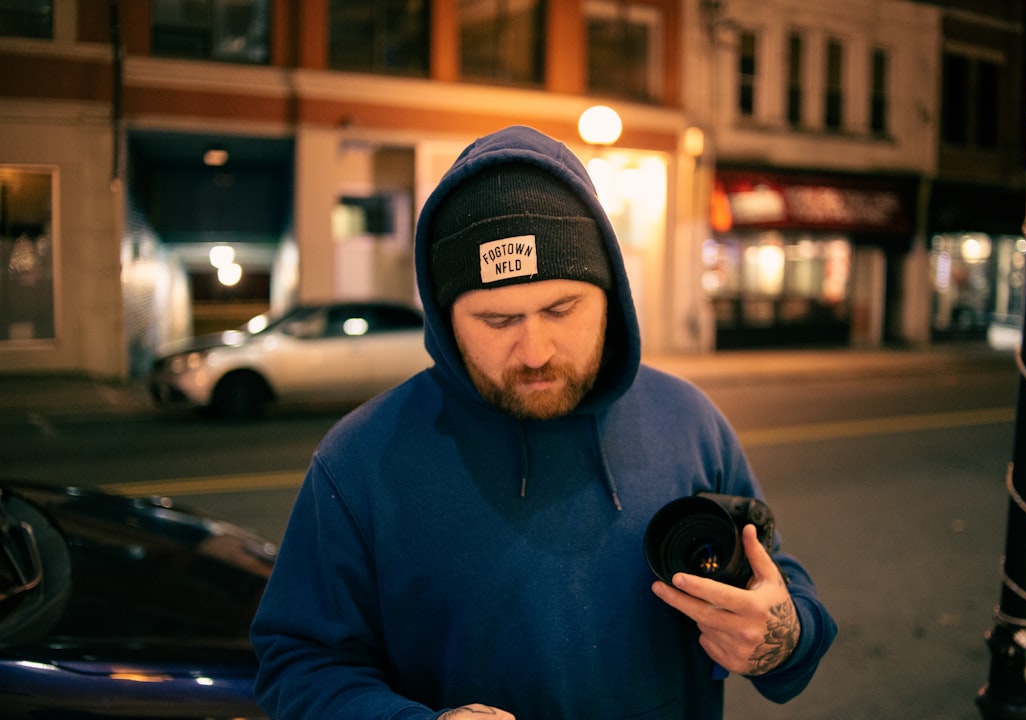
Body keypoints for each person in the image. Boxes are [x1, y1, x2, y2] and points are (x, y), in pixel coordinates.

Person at [249, 125, 836, 720]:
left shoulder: (689, 421)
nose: (535, 351)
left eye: (561, 309)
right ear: (446, 319)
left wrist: (783, 637)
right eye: (497, 320)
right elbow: (298, 664)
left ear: (611, 292)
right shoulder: (359, 461)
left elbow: (779, 583)